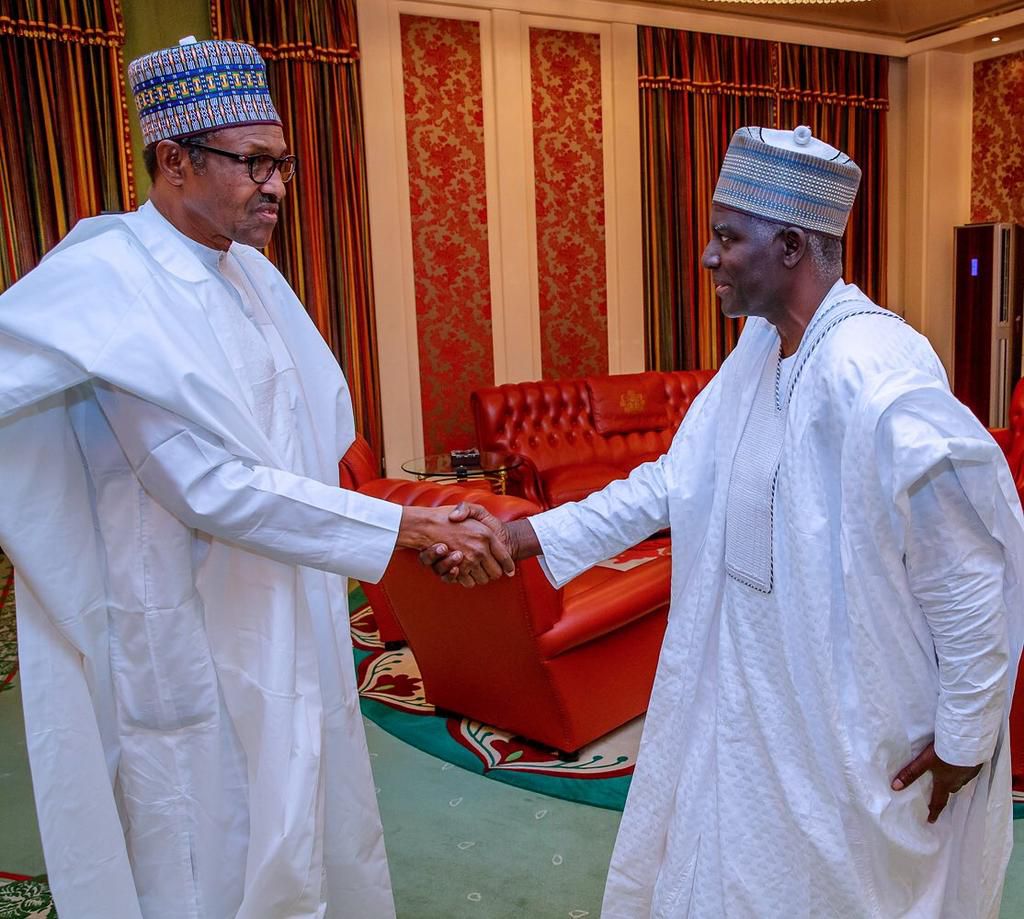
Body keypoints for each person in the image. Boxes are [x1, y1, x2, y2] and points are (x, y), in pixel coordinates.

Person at [426, 126, 1024, 917]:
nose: (708, 257)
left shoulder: (876, 366)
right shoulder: (758, 349)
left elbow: (969, 573)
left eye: (727, 237)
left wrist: (965, 738)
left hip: (854, 724)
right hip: (752, 704)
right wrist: (524, 534)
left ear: (790, 245)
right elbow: (674, 481)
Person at [0, 37, 512, 919]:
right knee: (203, 832)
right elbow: (206, 484)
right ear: (174, 161)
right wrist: (405, 526)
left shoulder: (252, 276)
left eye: (283, 163)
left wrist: (392, 516)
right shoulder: (112, 282)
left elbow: (305, 442)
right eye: (254, 163)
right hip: (178, 614)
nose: (276, 186)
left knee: (302, 794)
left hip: (279, 588)